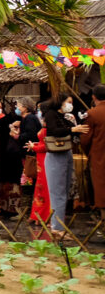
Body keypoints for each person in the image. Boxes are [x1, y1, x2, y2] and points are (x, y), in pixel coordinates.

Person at [41, 94, 88, 235]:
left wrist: (75, 126)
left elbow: (70, 131)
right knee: (58, 193)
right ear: (60, 102)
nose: (70, 105)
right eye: (68, 102)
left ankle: (58, 223)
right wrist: (72, 129)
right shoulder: (50, 114)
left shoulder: (64, 116)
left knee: (65, 191)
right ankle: (57, 228)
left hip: (66, 152)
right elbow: (55, 131)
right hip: (56, 155)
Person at [0, 100, 23, 217]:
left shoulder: (3, 121)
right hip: (14, 159)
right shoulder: (21, 121)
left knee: (5, 184)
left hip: (4, 159)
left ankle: (5, 207)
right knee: (13, 184)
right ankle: (12, 208)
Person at [81, 84, 105, 222]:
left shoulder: (92, 113)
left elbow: (85, 139)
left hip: (99, 157)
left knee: (101, 189)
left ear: (93, 97)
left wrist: (90, 153)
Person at [26, 126, 51, 226]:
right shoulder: (46, 127)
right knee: (40, 188)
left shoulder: (49, 128)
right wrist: (35, 145)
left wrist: (34, 147)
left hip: (45, 159)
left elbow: (47, 146)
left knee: (45, 187)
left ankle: (45, 216)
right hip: (40, 159)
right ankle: (37, 215)